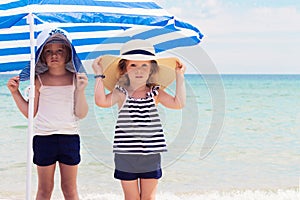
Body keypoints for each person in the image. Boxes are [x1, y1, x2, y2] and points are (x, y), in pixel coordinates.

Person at [92, 39, 186, 200]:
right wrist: (98, 75)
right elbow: (101, 101)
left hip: (151, 154)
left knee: (148, 198)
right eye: (133, 65)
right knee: (132, 198)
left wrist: (180, 76)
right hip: (125, 155)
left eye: (144, 65)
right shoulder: (121, 91)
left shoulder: (155, 92)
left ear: (151, 70)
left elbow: (178, 103)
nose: (139, 70)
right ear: (124, 70)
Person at [7, 28, 88, 200]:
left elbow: (81, 113)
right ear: (41, 56)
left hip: (70, 137)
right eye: (48, 51)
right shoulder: (37, 80)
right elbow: (31, 113)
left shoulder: (76, 79)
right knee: (44, 189)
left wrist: (81, 91)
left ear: (68, 53)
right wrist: (15, 93)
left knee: (69, 189)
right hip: (44, 138)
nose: (54, 55)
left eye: (60, 50)